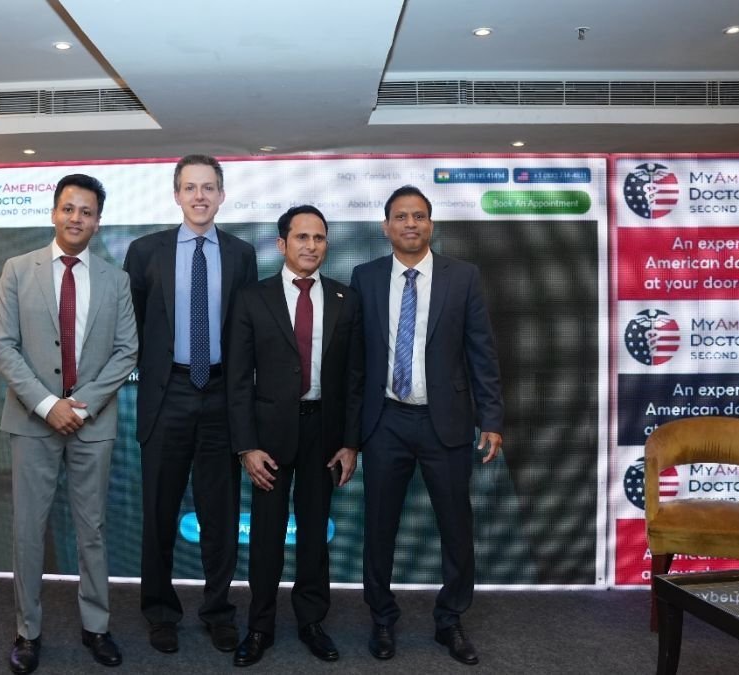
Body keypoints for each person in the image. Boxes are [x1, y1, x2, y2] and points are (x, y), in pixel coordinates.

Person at [350, 185, 503, 665]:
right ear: (386, 227)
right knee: (379, 527)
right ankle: (381, 617)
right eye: (401, 216)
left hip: (447, 423)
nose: (410, 224)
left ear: (431, 224)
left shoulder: (464, 277)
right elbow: (355, 360)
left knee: (456, 527)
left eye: (418, 216)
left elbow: (481, 352)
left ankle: (450, 619)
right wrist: (350, 433)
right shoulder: (365, 277)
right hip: (385, 421)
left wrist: (491, 418)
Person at [0, 173, 138, 672]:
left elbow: (127, 352)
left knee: (91, 529)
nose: (77, 218)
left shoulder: (116, 280)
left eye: (87, 212)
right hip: (32, 421)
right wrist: (47, 404)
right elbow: (3, 347)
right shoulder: (17, 269)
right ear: (54, 213)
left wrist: (81, 405)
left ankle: (96, 626)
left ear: (98, 222)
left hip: (91, 424)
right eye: (69, 208)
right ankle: (27, 632)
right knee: (28, 531)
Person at [123, 154, 258, 654]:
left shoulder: (242, 254)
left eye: (208, 187)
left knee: (220, 515)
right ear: (176, 195)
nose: (199, 196)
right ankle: (160, 612)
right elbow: (131, 326)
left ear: (221, 195)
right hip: (167, 395)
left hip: (221, 396)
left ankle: (218, 611)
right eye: (190, 187)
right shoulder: (144, 251)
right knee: (159, 513)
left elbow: (248, 331)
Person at [226, 205, 363, 666]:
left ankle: (311, 621)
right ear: (282, 244)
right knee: (266, 536)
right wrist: (246, 445)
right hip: (268, 437)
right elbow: (238, 380)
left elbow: (354, 378)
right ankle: (259, 627)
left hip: (325, 434)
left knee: (314, 533)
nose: (311, 246)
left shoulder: (346, 299)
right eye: (302, 237)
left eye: (319, 238)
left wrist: (351, 442)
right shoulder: (253, 298)